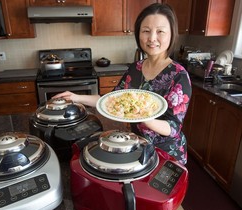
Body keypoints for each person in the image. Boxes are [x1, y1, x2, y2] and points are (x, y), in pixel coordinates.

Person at [53, 3, 192, 165]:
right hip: (137, 146)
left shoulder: (179, 75)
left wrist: (144, 117)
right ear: (139, 34)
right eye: (146, 31)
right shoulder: (136, 68)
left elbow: (173, 127)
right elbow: (111, 100)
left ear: (171, 34)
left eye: (160, 31)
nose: (152, 38)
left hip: (167, 153)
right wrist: (76, 97)